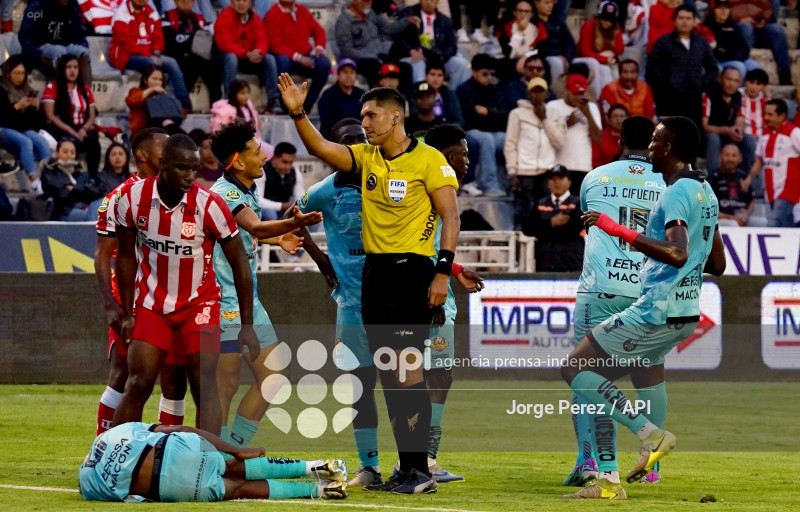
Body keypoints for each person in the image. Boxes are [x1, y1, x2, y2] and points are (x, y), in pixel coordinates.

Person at [278, 76, 461, 494]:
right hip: (376, 277)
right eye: (362, 116)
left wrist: (442, 271)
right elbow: (320, 149)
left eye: (371, 115)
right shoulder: (367, 158)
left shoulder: (429, 160)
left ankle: (419, 472)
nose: (365, 123)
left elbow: (451, 217)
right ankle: (407, 469)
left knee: (408, 373)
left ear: (395, 117)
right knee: (392, 378)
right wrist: (297, 113)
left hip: (411, 270)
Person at [562, 116, 726, 500]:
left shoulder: (674, 193)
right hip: (685, 313)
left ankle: (649, 438)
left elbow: (677, 251)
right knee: (617, 377)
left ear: (668, 148)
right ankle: (611, 483)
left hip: (653, 308)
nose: (649, 147)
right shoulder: (706, 190)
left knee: (576, 367)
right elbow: (716, 264)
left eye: (655, 140)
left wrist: (615, 227)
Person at [111, 134, 260, 435]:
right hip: (153, 305)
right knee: (138, 382)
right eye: (182, 168)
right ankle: (115, 456)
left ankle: (208, 462)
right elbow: (125, 256)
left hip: (200, 306)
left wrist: (247, 325)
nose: (191, 177)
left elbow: (240, 264)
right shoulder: (131, 198)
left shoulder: (210, 205)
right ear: (162, 165)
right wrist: (127, 313)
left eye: (194, 169)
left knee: (204, 385)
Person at [562, 115, 665, 490]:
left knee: (588, 376)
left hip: (601, 288)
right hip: (648, 292)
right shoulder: (668, 182)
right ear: (654, 144)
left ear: (620, 141)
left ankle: (593, 464)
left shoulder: (595, 177)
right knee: (650, 375)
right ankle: (651, 468)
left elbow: (589, 219)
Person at [209, 120, 323, 450]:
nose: (264, 158)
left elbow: (248, 233)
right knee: (225, 385)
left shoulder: (245, 191)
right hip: (224, 302)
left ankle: (231, 448)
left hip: (248, 301)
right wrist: (293, 222)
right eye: (257, 152)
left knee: (274, 378)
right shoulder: (224, 194)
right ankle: (213, 455)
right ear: (239, 161)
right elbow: (254, 226)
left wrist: (278, 239)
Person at [94, 128, 188, 435]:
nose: (171, 148)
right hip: (131, 298)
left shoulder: (182, 195)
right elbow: (103, 255)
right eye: (164, 145)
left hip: (172, 299)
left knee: (174, 380)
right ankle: (105, 447)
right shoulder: (118, 198)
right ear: (143, 155)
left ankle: (168, 451)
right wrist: (111, 305)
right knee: (122, 373)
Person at [418, 123, 484, 483]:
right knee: (433, 374)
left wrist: (454, 269)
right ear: (445, 155)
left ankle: (423, 458)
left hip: (436, 285)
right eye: (463, 154)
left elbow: (426, 244)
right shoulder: (432, 187)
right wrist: (438, 281)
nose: (467, 161)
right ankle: (421, 459)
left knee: (437, 373)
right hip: (429, 294)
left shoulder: (432, 185)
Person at [79, 422, 348, 501]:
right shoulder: (115, 433)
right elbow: (174, 429)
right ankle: (312, 467)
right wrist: (234, 450)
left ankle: (321, 490)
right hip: (176, 450)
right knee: (231, 465)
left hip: (166, 486)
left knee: (238, 489)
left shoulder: (89, 485)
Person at [505, 76, 567, 227]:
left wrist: (545, 119)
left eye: (541, 92)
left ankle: (541, 249)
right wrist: (512, 172)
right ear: (528, 94)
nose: (537, 95)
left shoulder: (555, 114)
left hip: (547, 173)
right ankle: (520, 250)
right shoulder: (517, 114)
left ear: (547, 94)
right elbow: (510, 144)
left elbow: (560, 142)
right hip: (524, 173)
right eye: (534, 91)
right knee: (523, 215)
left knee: (546, 214)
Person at [646, 5, 718, 133]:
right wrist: (666, 85)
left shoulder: (701, 43)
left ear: (694, 21)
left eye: (688, 18)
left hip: (694, 100)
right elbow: (652, 68)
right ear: (675, 20)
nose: (684, 21)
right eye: (681, 18)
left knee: (690, 139)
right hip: (668, 100)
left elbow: (713, 68)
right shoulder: (664, 42)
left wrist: (702, 84)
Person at [109, 0, 191, 110]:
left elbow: (158, 37)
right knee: (151, 63)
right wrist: (149, 55)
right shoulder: (121, 13)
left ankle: (183, 100)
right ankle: (152, 101)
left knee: (172, 62)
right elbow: (127, 43)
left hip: (149, 54)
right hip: (126, 56)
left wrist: (157, 52)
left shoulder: (151, 11)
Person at [214, 0, 283, 114]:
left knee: (269, 58)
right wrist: (246, 53)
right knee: (231, 58)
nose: (241, 3)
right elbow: (224, 44)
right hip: (226, 58)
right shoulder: (224, 17)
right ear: (231, 2)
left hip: (249, 57)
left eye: (245, 0)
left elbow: (263, 39)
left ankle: (273, 100)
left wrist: (258, 51)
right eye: (238, 0)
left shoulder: (255, 18)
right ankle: (229, 98)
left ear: (250, 3)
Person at [264, 0, 332, 112]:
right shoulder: (272, 14)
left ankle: (307, 105)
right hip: (287, 59)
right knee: (282, 60)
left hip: (305, 56)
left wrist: (319, 47)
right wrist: (299, 58)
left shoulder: (302, 11)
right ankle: (284, 106)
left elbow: (319, 31)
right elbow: (274, 44)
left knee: (324, 64)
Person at [457, 54, 509, 196]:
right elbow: (471, 118)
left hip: (495, 133)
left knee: (510, 140)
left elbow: (504, 115)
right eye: (484, 73)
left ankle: (516, 184)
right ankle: (489, 185)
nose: (489, 77)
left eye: (491, 73)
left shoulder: (495, 89)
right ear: (474, 72)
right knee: (487, 139)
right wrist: (494, 115)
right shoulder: (464, 89)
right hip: (472, 133)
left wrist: (487, 112)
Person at [744, 99, 800, 227]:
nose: (766, 118)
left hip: (789, 190)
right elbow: (759, 160)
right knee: (787, 226)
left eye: (771, 114)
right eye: (765, 114)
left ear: (782, 116)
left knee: (773, 224)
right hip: (770, 190)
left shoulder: (794, 133)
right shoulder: (764, 134)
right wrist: (748, 179)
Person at [42, 55, 101, 175]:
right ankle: (67, 177)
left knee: (94, 144)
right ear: (62, 69)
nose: (72, 70)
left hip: (81, 128)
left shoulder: (85, 89)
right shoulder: (53, 87)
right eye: (68, 67)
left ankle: (92, 178)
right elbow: (50, 115)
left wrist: (84, 129)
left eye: (75, 67)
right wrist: (70, 131)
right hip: (61, 129)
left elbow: (91, 115)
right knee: (72, 145)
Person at [391, 0, 470, 86]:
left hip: (438, 56)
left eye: (432, 0)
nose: (429, 2)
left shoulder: (445, 20)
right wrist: (411, 50)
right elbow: (397, 36)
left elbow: (452, 45)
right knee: (419, 63)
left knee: (461, 64)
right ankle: (421, 95)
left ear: (437, 2)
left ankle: (453, 96)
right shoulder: (408, 14)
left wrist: (442, 57)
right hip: (413, 55)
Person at [0, 56, 52, 188]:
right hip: (4, 129)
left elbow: (35, 124)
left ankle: (50, 178)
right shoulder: (1, 89)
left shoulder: (27, 90)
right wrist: (16, 107)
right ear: (8, 73)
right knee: (26, 142)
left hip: (21, 128)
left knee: (41, 141)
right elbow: (3, 119)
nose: (20, 77)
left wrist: (37, 108)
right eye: (16, 73)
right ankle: (34, 182)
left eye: (22, 73)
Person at [522, 165, 585, 271]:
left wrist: (543, 230)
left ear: (569, 182)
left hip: (571, 262)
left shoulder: (579, 203)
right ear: (548, 183)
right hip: (544, 263)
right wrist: (552, 222)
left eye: (560, 178)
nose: (557, 182)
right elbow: (527, 229)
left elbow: (574, 230)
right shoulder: (540, 203)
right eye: (553, 179)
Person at [548, 73, 603, 192]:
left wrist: (588, 114)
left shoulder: (591, 107)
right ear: (566, 90)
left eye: (581, 93)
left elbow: (597, 138)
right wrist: (567, 124)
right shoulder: (552, 106)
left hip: (583, 166)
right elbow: (548, 138)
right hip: (560, 165)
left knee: (579, 208)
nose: (578, 97)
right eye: (574, 93)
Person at [334, 0, 408, 88]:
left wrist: (407, 21)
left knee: (405, 67)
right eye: (366, 1)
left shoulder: (372, 14)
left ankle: (404, 98)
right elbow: (347, 50)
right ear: (356, 1)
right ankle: (375, 97)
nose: (370, 3)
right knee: (374, 65)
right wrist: (371, 57)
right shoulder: (343, 22)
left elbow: (388, 28)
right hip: (360, 59)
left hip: (379, 54)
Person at [161, 0, 222, 105]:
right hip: (175, 56)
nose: (185, 1)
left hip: (196, 57)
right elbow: (169, 42)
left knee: (212, 65)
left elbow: (207, 41)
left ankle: (217, 104)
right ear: (175, 1)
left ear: (193, 2)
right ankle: (182, 102)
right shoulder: (166, 17)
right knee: (193, 63)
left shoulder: (200, 18)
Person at [18, 0, 90, 80]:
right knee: (58, 51)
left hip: (66, 46)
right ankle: (59, 89)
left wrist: (83, 46)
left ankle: (86, 91)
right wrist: (38, 54)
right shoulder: (36, 9)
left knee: (83, 52)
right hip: (41, 48)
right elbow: (24, 37)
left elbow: (80, 35)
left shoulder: (72, 8)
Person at [702, 67, 754, 177]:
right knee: (713, 138)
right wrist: (728, 130)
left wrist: (738, 130)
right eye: (728, 79)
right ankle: (715, 179)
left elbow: (741, 119)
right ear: (720, 79)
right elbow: (705, 126)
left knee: (748, 139)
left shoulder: (738, 96)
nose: (731, 84)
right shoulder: (709, 95)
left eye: (736, 81)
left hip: (728, 136)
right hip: (707, 138)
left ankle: (745, 180)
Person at [732, 0, 791, 85]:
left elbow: (767, 8)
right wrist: (738, 18)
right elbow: (719, 9)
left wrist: (763, 20)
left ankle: (784, 73)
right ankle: (748, 71)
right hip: (736, 27)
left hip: (757, 26)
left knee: (777, 29)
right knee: (746, 28)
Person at [574, 0, 624, 98]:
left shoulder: (614, 29)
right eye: (605, 18)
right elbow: (586, 53)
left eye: (610, 20)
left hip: (601, 62)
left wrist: (616, 35)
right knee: (595, 63)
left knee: (609, 69)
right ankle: (597, 97)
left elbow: (620, 50)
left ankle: (614, 97)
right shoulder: (589, 26)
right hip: (581, 60)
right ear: (599, 16)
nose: (607, 22)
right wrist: (605, 59)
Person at [710, 143, 767, 226]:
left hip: (741, 218)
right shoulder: (712, 178)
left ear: (740, 158)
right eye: (727, 155)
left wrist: (747, 214)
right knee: (733, 224)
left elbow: (751, 201)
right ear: (720, 157)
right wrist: (730, 217)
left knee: (762, 222)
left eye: (734, 156)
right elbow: (707, 207)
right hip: (721, 220)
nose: (730, 159)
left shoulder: (744, 178)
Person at [704, 0, 759, 83]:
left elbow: (744, 48)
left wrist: (736, 55)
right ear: (714, 10)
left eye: (726, 8)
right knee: (739, 67)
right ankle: (736, 92)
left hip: (736, 58)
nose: (723, 11)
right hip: (720, 62)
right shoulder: (708, 27)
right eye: (720, 8)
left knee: (753, 65)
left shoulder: (733, 26)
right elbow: (715, 51)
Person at [40, 138, 95, 220]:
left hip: (81, 207)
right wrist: (77, 188)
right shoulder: (50, 171)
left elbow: (92, 193)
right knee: (92, 216)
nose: (69, 155)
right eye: (65, 152)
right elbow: (61, 195)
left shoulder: (79, 172)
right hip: (62, 212)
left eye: (72, 152)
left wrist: (73, 188)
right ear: (57, 153)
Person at [126, 66, 186, 136]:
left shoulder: (164, 95)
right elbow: (131, 100)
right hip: (142, 132)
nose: (158, 82)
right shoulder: (136, 91)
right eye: (154, 79)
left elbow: (180, 113)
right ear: (145, 79)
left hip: (163, 130)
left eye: (160, 80)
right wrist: (151, 90)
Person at [496, 1, 547, 80]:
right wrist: (520, 31)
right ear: (514, 13)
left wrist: (526, 57)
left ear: (532, 14)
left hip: (533, 59)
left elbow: (542, 50)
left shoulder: (539, 27)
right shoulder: (506, 27)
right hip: (511, 61)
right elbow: (509, 53)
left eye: (527, 12)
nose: (523, 15)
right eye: (520, 11)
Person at [318, 60, 367, 140]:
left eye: (351, 72)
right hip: (334, 138)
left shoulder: (362, 94)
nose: (348, 76)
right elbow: (326, 121)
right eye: (345, 72)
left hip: (359, 136)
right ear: (338, 75)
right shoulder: (328, 95)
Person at [256, 142, 304, 221]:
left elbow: (299, 197)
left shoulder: (295, 173)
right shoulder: (262, 171)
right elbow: (258, 200)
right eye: (285, 162)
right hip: (267, 211)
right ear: (275, 157)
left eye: (291, 163)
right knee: (270, 214)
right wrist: (281, 206)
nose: (288, 166)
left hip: (285, 211)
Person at [409, 60, 464, 127]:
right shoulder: (416, 91)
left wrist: (448, 130)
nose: (436, 78)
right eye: (432, 74)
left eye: (439, 75)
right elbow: (413, 117)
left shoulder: (450, 93)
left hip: (447, 132)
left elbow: (459, 121)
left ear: (443, 78)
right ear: (426, 77)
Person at [533, 0, 576, 82]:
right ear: (536, 4)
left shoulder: (557, 20)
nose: (550, 6)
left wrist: (565, 56)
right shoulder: (533, 22)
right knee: (556, 62)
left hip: (563, 57)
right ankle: (555, 93)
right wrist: (557, 57)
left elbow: (570, 42)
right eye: (546, 3)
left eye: (551, 3)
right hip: (545, 58)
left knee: (592, 63)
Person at [740, 68, 768, 140]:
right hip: (743, 135)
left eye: (758, 84)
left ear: (764, 87)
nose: (753, 87)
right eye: (751, 82)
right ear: (745, 82)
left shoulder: (764, 99)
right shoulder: (738, 95)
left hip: (760, 135)